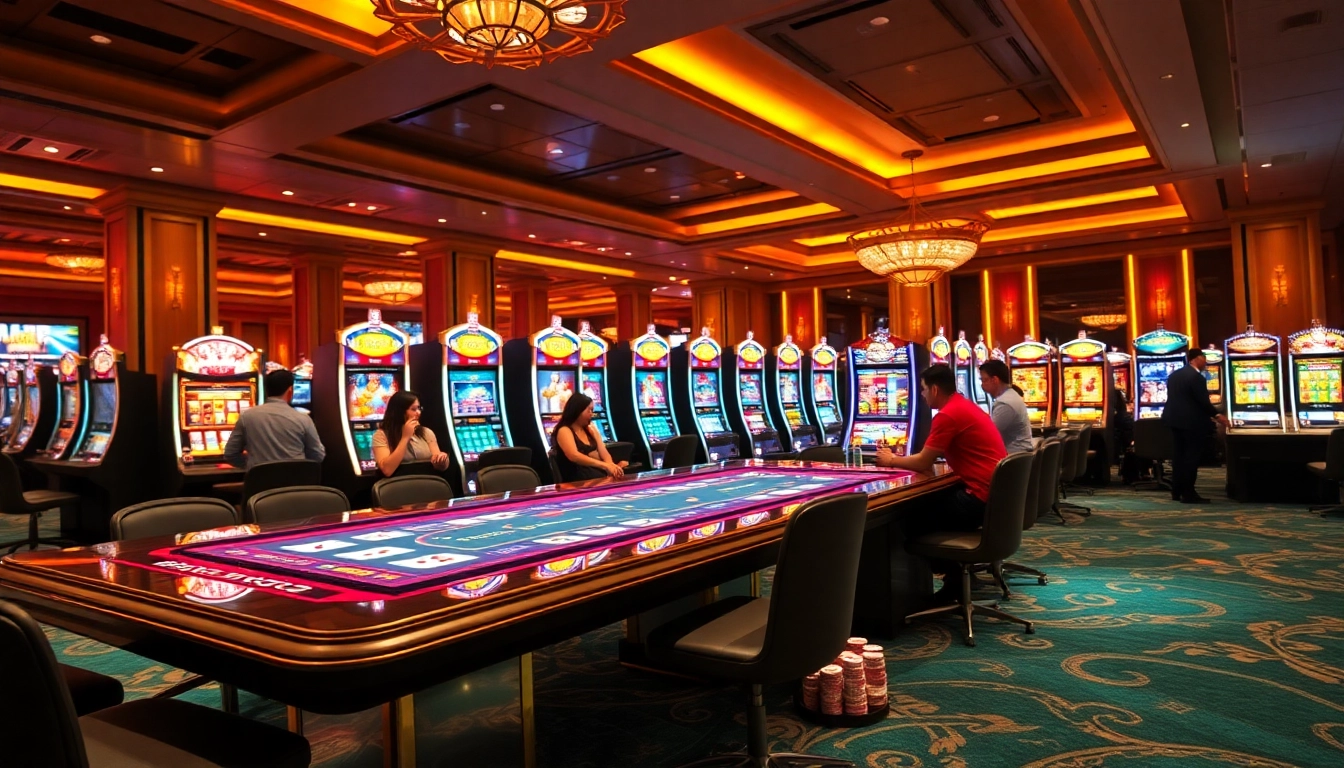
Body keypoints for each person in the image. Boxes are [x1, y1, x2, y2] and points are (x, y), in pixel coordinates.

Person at [875, 364, 1008, 601]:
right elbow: (929, 460)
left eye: (924, 390)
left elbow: (922, 462)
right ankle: (960, 576)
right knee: (928, 502)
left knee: (907, 518)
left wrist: (890, 459)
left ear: (935, 389)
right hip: (996, 497)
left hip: (979, 498)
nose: (923, 395)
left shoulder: (948, 414)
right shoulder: (964, 405)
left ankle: (954, 578)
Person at [1161, 348, 1228, 503]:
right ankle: (1188, 493)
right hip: (1191, 423)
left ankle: (1176, 491)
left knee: (1179, 456)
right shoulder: (1196, 377)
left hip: (1174, 420)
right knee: (1191, 457)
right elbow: (1203, 402)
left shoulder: (1174, 376)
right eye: (1203, 358)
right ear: (1196, 359)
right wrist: (1218, 415)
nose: (1205, 362)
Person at [223, 368, 325, 469]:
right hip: (295, 482)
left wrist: (252, 466)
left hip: (261, 483)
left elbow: (230, 454)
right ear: (290, 390)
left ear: (266, 390)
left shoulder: (247, 416)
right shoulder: (303, 419)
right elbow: (318, 455)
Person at [372, 390, 451, 477]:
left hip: (426, 482)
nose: (418, 413)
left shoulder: (426, 432)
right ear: (400, 412)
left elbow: (439, 466)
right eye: (413, 409)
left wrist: (442, 460)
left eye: (419, 408)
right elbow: (387, 470)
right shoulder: (381, 435)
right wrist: (405, 437)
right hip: (399, 485)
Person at [552, 393, 624, 482]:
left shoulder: (590, 429)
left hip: (597, 476)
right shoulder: (564, 430)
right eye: (588, 410)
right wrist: (604, 465)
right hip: (577, 481)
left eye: (592, 410)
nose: (591, 414)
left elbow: (603, 452)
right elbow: (574, 456)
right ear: (578, 411)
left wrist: (611, 465)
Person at [978, 359, 1033, 454]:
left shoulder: (1004, 403)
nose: (982, 385)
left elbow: (988, 436)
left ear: (994, 380)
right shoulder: (1011, 395)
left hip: (1014, 458)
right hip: (1020, 455)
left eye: (984, 380)